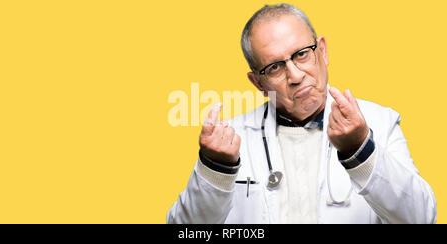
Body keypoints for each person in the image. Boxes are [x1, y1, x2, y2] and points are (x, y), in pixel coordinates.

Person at [167, 3, 437, 224]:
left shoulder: (380, 121)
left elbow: (421, 218)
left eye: (301, 54)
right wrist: (216, 168)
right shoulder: (228, 141)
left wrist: (360, 150)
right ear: (257, 83)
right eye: (274, 67)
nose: (295, 76)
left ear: (323, 51)